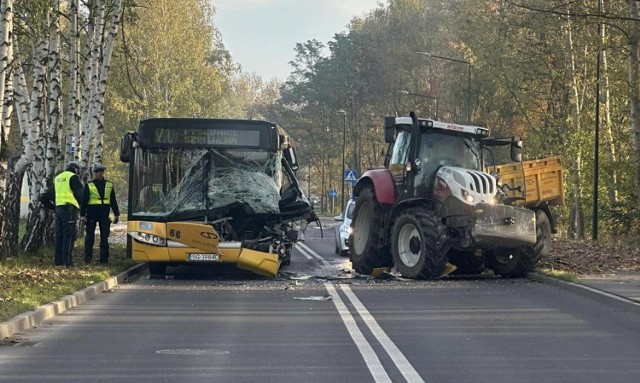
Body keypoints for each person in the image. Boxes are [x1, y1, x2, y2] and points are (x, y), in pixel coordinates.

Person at [41, 162, 84, 267]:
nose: (78, 173)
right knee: (69, 235)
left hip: (59, 210)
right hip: (69, 210)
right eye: (78, 170)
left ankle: (58, 262)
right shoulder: (73, 177)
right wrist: (84, 210)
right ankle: (67, 262)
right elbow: (80, 195)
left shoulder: (58, 178)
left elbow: (45, 197)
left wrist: (54, 207)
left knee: (59, 235)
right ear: (75, 169)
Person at [80, 163, 120, 265]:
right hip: (91, 214)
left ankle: (104, 260)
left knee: (104, 238)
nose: (99, 174)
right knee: (89, 238)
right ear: (94, 173)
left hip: (104, 214)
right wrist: (82, 215)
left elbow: (113, 201)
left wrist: (116, 214)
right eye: (97, 172)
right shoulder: (89, 185)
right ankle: (88, 259)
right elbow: (84, 201)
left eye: (100, 172)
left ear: (103, 172)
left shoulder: (109, 184)